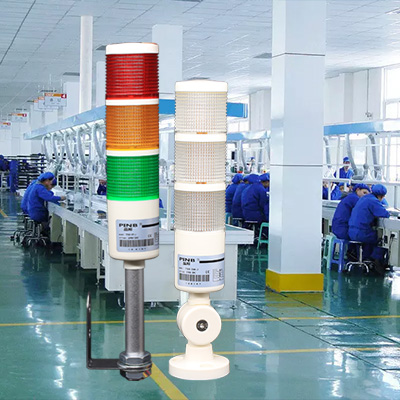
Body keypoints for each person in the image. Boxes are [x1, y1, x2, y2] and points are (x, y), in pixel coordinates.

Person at [348, 184, 390, 275]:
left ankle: (366, 260)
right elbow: (384, 214)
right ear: (382, 196)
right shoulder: (373, 201)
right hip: (361, 233)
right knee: (381, 241)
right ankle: (375, 263)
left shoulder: (364, 198)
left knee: (370, 238)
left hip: (352, 232)